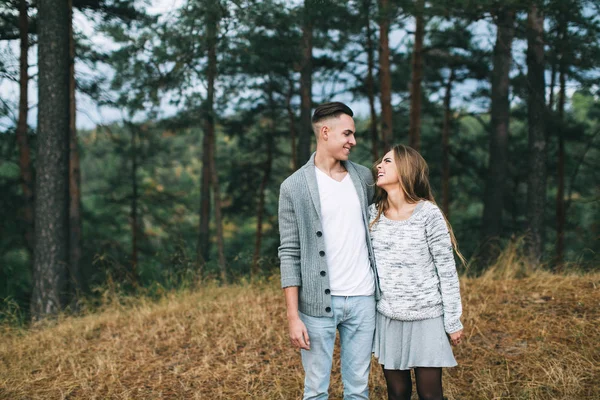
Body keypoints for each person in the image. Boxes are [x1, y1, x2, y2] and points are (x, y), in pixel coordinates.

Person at [278, 102, 380, 399]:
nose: (353, 141)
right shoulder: (293, 186)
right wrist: (292, 316)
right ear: (325, 132)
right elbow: (289, 252)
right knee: (315, 390)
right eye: (347, 134)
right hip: (316, 306)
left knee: (358, 389)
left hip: (363, 299)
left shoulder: (364, 178)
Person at [369, 144, 465, 400]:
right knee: (397, 393)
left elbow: (446, 270)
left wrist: (452, 320)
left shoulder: (428, 214)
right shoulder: (372, 215)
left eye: (387, 161)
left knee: (430, 394)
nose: (379, 165)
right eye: (381, 161)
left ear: (405, 169)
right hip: (388, 316)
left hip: (427, 317)